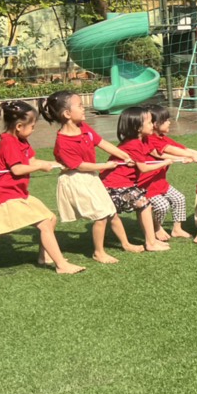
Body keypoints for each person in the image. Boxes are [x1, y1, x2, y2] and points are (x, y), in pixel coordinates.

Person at [40, 90, 137, 264]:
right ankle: (99, 252)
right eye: (80, 106)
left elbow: (102, 143)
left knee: (111, 212)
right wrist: (106, 166)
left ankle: (126, 243)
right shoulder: (63, 141)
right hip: (76, 179)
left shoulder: (83, 127)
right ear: (67, 114)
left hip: (90, 177)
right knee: (101, 215)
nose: (84, 108)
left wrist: (124, 156)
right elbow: (79, 166)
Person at [0, 100, 83, 274]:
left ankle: (44, 256)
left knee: (51, 218)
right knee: (45, 224)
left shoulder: (21, 140)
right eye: (32, 126)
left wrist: (56, 164)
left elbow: (32, 161)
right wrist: (40, 167)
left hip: (19, 192)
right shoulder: (8, 142)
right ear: (19, 126)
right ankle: (61, 265)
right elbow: (17, 169)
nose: (33, 130)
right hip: (6, 194)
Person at [100, 106, 172, 252]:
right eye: (149, 122)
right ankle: (151, 243)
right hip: (113, 185)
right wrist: (164, 163)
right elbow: (144, 168)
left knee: (143, 206)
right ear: (138, 127)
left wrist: (183, 157)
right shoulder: (133, 144)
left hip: (125, 183)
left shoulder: (144, 139)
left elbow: (156, 153)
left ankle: (151, 241)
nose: (153, 125)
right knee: (144, 205)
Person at [145, 104, 197, 240]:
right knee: (162, 205)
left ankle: (177, 229)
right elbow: (171, 150)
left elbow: (184, 149)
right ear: (155, 124)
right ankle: (156, 227)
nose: (169, 122)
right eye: (165, 120)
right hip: (148, 185)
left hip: (160, 182)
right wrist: (190, 156)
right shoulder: (151, 139)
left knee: (179, 198)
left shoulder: (162, 137)